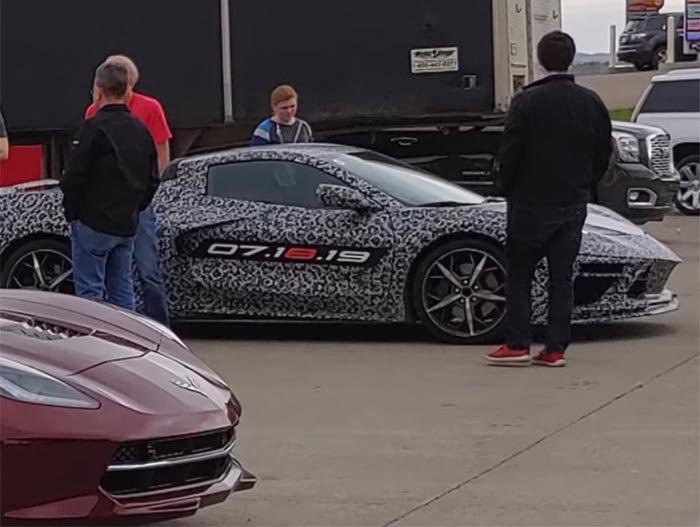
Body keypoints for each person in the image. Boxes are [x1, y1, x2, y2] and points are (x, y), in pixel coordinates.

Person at [485, 31, 612, 368]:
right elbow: (603, 152)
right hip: (572, 202)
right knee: (561, 277)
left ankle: (518, 344)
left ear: (540, 60)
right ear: (570, 58)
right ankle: (555, 348)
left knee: (520, 274)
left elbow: (511, 151)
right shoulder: (591, 102)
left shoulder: (527, 101)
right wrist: (585, 184)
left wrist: (502, 186)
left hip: (530, 201)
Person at [61, 62, 159, 311]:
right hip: (126, 224)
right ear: (127, 90)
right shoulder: (140, 130)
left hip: (92, 222)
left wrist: (73, 213)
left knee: (91, 292)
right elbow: (152, 178)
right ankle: (126, 341)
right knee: (122, 290)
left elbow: (73, 176)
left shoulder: (92, 128)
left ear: (98, 91)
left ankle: (95, 346)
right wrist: (135, 208)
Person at [85, 54, 172, 326]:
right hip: (107, 206)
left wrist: (144, 196)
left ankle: (160, 329)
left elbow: (161, 154)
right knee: (117, 275)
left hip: (137, 204)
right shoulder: (93, 112)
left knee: (147, 271)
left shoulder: (150, 108)